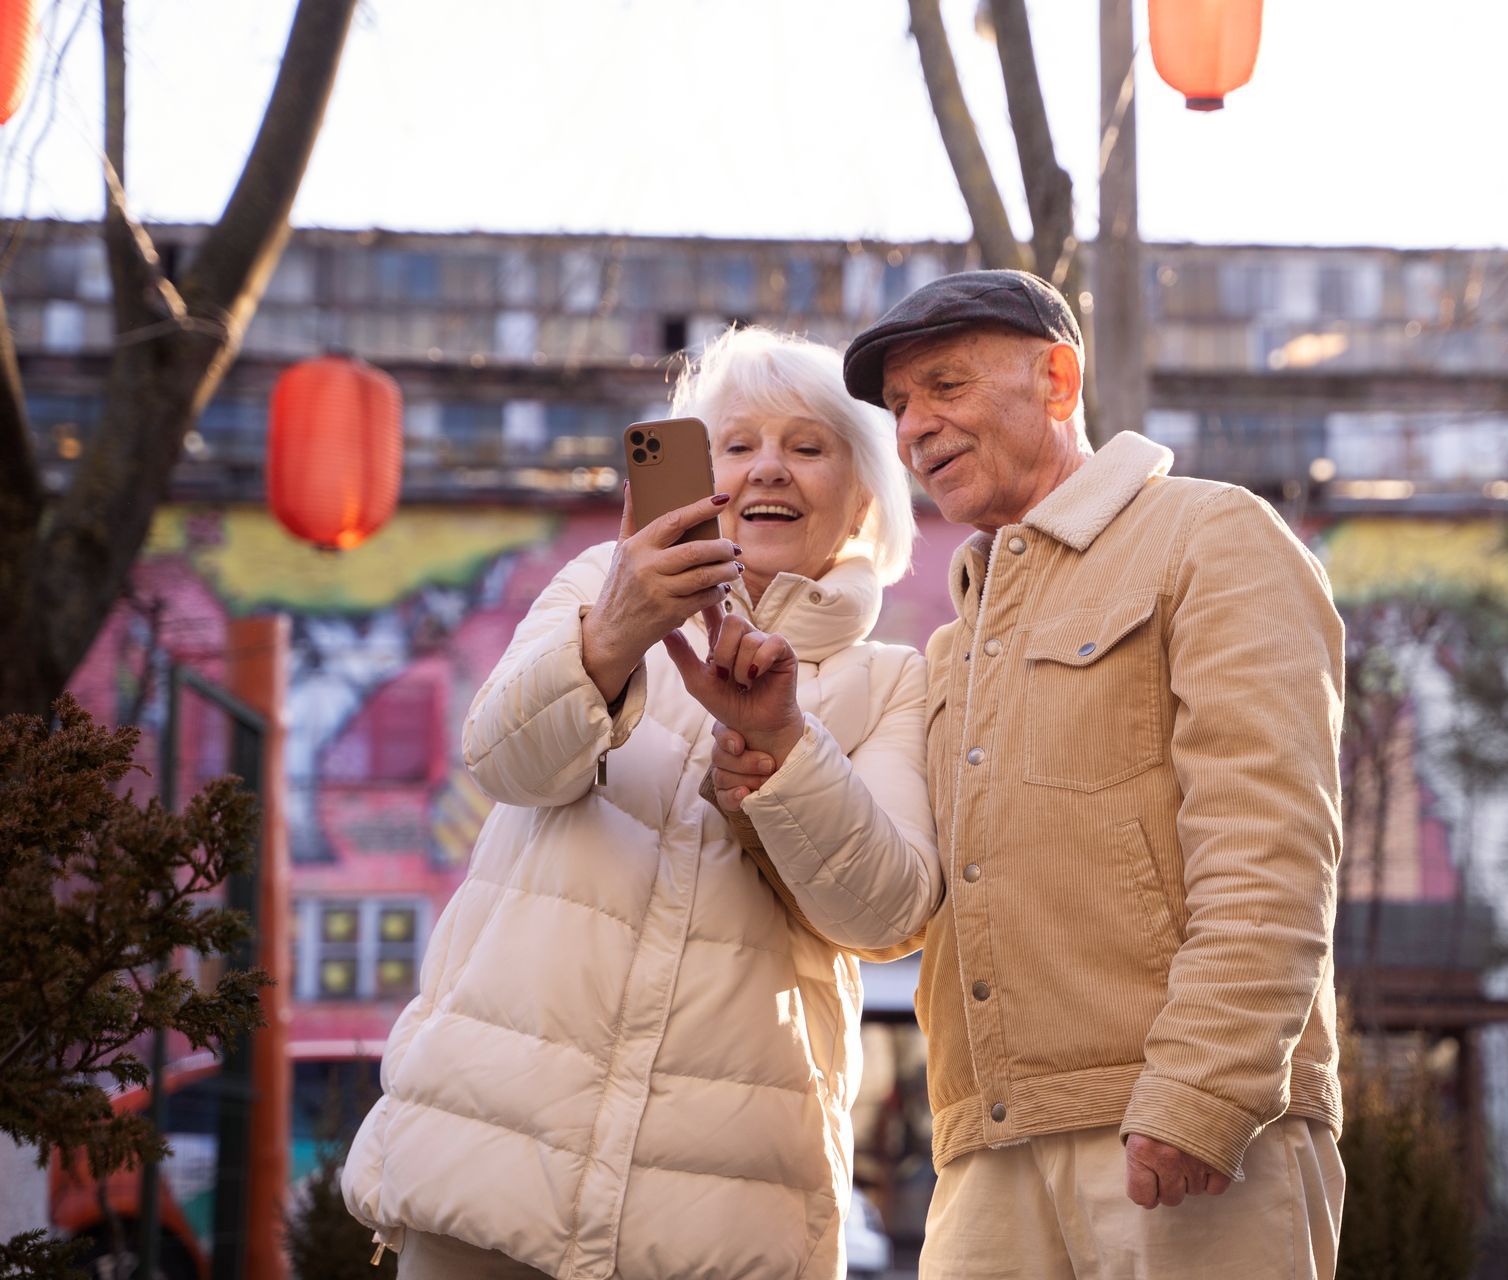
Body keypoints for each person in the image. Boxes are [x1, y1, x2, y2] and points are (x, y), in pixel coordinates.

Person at [714, 270, 1348, 1278]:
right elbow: (914, 909)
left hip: (1175, 1132)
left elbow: (1271, 844)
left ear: (1059, 377)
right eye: (903, 404)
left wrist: (1205, 1087)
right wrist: (777, 763)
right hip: (984, 1157)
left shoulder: (1210, 535)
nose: (916, 425)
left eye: (947, 385)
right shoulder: (957, 642)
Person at [341, 326, 942, 1280]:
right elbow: (504, 761)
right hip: (493, 1161)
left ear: (866, 493)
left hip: (725, 1212)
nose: (767, 470)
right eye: (736, 445)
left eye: (808, 445)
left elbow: (888, 914)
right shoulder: (594, 587)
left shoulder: (899, 681)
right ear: (695, 474)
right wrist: (615, 635)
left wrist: (783, 749)